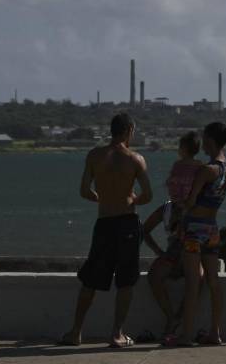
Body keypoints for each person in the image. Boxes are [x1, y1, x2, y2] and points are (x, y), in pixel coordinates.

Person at [59, 113, 152, 349]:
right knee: (126, 281)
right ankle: (116, 333)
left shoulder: (94, 155)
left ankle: (76, 331)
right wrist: (131, 199)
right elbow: (148, 195)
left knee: (90, 280)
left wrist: (103, 198)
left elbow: (84, 191)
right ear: (129, 130)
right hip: (127, 222)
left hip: (104, 222)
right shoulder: (135, 159)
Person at [165, 121, 226, 347]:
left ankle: (186, 335)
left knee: (193, 283)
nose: (202, 143)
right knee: (213, 281)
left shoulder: (207, 170)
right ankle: (215, 332)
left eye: (205, 138)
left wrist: (178, 205)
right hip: (212, 228)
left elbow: (190, 201)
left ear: (211, 141)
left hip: (194, 228)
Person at [140, 132, 202, 342]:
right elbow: (144, 230)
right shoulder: (200, 170)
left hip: (178, 250)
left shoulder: (168, 207)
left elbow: (144, 230)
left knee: (158, 277)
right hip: (181, 250)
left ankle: (173, 318)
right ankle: (175, 317)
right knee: (197, 280)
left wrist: (158, 251)